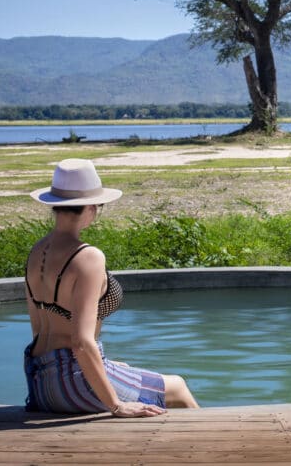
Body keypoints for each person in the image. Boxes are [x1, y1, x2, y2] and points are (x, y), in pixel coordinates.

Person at [24, 158, 198, 416]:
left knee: (129, 371)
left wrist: (104, 365)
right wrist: (117, 406)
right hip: (73, 384)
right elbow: (81, 342)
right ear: (92, 207)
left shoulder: (36, 252)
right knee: (178, 388)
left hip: (40, 384)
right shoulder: (88, 257)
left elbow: (39, 328)